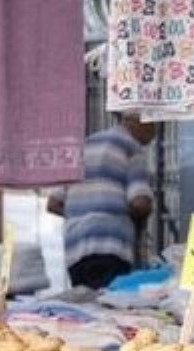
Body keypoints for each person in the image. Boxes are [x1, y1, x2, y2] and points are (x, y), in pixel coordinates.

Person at [48, 113, 157, 290]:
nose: (154, 136)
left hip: (75, 248)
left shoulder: (84, 146)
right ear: (140, 122)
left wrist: (83, 213)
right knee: (109, 309)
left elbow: (53, 204)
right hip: (111, 245)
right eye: (154, 126)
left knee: (87, 308)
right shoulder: (131, 148)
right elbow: (140, 203)